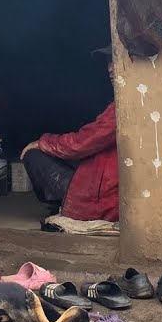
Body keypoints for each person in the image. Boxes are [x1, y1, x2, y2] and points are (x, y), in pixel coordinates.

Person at [19, 49, 118, 223]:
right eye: (109, 62)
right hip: (106, 183)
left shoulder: (122, 108)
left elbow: (82, 143)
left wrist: (44, 143)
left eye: (115, 60)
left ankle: (64, 205)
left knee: (34, 156)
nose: (110, 68)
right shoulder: (121, 103)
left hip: (103, 199)